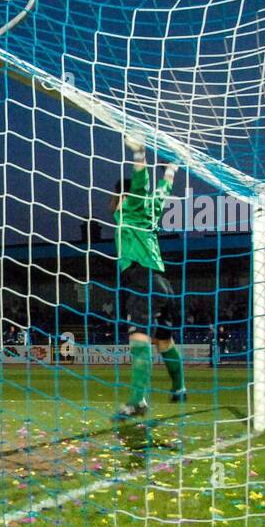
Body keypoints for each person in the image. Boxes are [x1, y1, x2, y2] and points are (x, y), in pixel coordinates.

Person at [109, 136, 184, 420]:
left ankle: (137, 399)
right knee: (164, 342)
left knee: (139, 338)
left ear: (123, 198)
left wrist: (139, 154)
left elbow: (141, 185)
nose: (113, 204)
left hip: (141, 278)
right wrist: (171, 169)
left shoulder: (129, 209)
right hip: (163, 283)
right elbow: (162, 190)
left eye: (116, 198)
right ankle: (179, 388)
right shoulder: (151, 210)